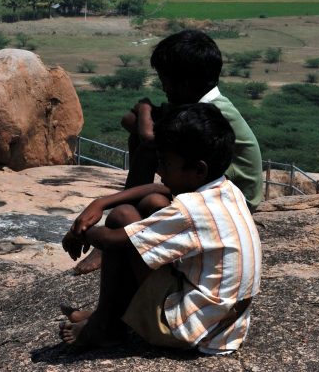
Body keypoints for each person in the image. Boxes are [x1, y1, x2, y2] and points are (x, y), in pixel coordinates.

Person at [60, 103, 262, 354]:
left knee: (123, 217)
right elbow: (160, 190)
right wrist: (101, 202)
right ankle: (114, 314)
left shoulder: (191, 210)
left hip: (186, 332)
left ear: (198, 169)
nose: (158, 170)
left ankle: (105, 326)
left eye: (165, 163)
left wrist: (78, 233)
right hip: (223, 326)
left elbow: (112, 240)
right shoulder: (226, 189)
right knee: (152, 204)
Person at [66, 29, 263, 275]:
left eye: (164, 80)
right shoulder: (191, 102)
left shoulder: (208, 112)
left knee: (150, 197)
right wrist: (144, 117)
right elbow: (130, 122)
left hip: (235, 197)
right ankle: (121, 237)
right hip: (207, 186)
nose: (163, 87)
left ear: (185, 83)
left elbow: (149, 137)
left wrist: (145, 106)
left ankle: (111, 246)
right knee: (146, 161)